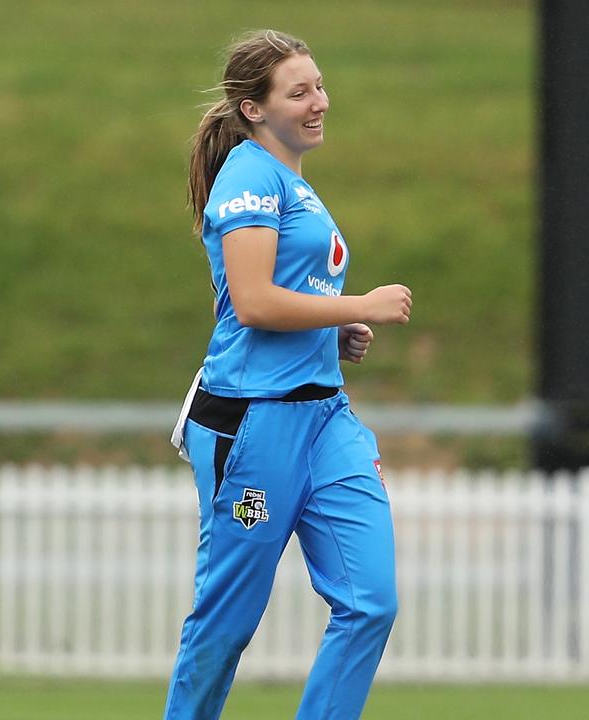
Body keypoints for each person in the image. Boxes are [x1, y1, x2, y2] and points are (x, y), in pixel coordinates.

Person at [164, 30, 413, 720]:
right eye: (298, 92)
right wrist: (360, 303)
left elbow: (288, 296)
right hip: (255, 425)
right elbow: (253, 303)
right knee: (229, 620)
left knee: (371, 601)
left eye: (319, 86)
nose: (319, 102)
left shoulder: (296, 184)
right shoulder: (249, 176)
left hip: (325, 418)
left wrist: (335, 326)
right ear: (253, 109)